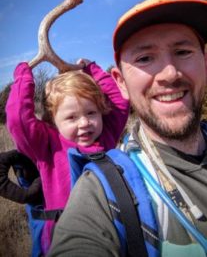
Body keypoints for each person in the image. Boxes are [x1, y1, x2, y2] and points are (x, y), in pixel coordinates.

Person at [48, 0, 207, 257]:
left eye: (182, 52)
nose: (169, 74)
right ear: (121, 82)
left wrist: (91, 67)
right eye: (145, 58)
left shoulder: (109, 125)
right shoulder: (104, 190)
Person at [6, 58, 129, 256]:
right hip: (63, 240)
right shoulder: (47, 145)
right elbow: (18, 119)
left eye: (91, 112)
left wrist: (91, 69)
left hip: (112, 233)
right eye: (71, 117)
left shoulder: (106, 135)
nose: (84, 123)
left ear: (101, 112)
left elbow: (120, 101)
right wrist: (23, 75)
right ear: (53, 120)